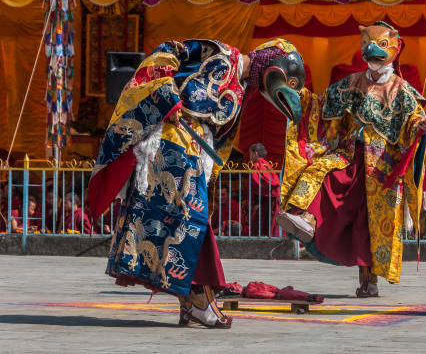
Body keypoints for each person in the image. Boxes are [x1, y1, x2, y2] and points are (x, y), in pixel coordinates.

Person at [88, 38, 305, 329]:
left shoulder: (241, 91)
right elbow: (166, 51)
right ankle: (198, 302)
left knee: (191, 223)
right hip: (170, 143)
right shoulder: (217, 52)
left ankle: (195, 302)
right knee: (192, 219)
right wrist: (167, 96)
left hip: (193, 153)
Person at [277, 22, 426, 297]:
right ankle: (307, 219)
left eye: (380, 48)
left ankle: (369, 280)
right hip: (349, 154)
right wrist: (298, 95)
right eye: (367, 47)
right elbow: (322, 103)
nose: (371, 54)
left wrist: (421, 127)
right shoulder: (352, 83)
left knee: (369, 223)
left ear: (395, 50)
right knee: (321, 173)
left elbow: (412, 124)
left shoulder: (403, 91)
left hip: (381, 167)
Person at [247, 143, 280, 237]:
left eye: (250, 153)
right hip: (270, 197)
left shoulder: (258, 165)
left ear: (256, 153)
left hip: (266, 198)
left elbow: (261, 184)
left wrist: (257, 202)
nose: (250, 156)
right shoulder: (266, 164)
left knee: (262, 224)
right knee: (269, 223)